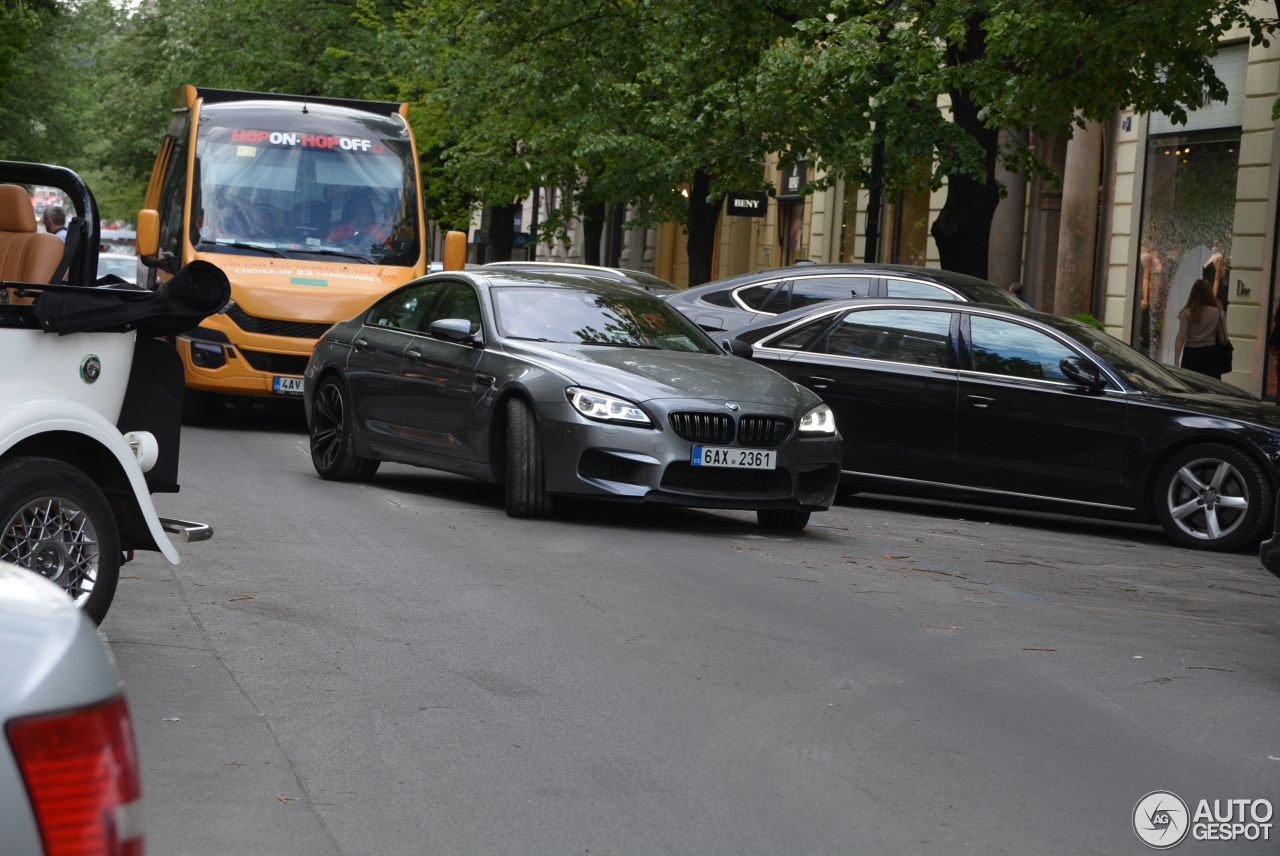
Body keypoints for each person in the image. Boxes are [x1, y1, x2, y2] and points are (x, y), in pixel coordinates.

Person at [1175, 278, 1227, 379]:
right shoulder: (1218, 313)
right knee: (1210, 387)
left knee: (1190, 387)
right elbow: (1223, 339)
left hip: (1190, 355)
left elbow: (1180, 338)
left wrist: (1176, 361)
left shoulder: (1186, 312)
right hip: (1210, 355)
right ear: (1209, 293)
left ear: (1193, 293)